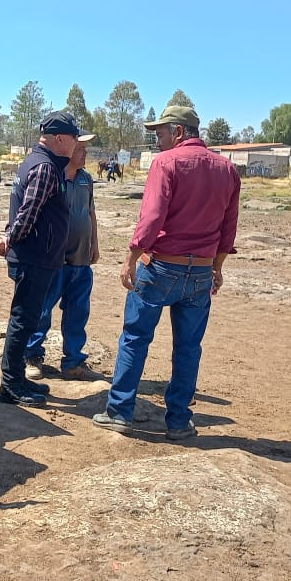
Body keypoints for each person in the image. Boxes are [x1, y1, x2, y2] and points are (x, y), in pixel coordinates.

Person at [92, 105, 239, 440]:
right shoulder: (227, 169)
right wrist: (217, 267)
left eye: (159, 134)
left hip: (159, 266)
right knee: (188, 348)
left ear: (178, 132)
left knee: (135, 338)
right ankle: (178, 421)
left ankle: (119, 412)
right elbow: (229, 227)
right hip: (200, 272)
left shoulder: (167, 162)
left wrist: (131, 257)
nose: (156, 141)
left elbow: (152, 216)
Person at [0, 111, 92, 407]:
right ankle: (10, 386)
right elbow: (29, 212)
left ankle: (17, 379)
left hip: (36, 256)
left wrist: (10, 235)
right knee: (23, 321)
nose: (76, 144)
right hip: (34, 257)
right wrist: (11, 237)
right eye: (74, 138)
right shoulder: (45, 168)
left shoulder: (37, 162)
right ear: (60, 138)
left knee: (26, 319)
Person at [25, 138, 104, 382]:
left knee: (78, 312)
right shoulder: (51, 175)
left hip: (81, 258)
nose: (85, 153)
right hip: (53, 259)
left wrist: (94, 244)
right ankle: (32, 357)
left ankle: (73, 363)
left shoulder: (86, 179)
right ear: (68, 150)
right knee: (42, 310)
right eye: (81, 149)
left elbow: (90, 212)